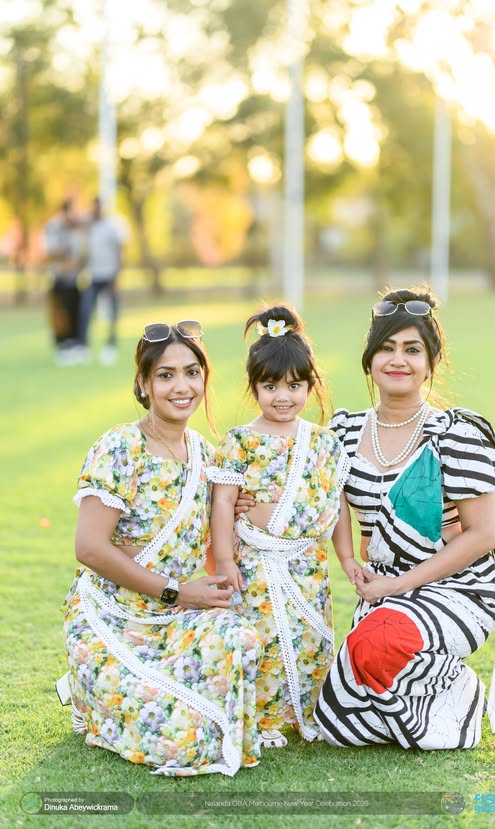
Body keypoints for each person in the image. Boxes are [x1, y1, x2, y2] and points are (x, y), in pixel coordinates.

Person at [314, 287, 495, 769]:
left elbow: (482, 535)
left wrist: (400, 583)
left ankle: (459, 701)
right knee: (336, 725)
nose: (397, 360)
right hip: (385, 590)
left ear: (431, 362)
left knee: (378, 644)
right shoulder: (342, 432)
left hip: (459, 586)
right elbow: (329, 505)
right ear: (370, 359)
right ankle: (413, 677)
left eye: (412, 350)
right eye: (387, 348)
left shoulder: (457, 435)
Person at [57, 320, 264, 776]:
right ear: (143, 384)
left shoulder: (207, 456)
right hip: (115, 616)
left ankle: (127, 694)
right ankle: (94, 691)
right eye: (166, 375)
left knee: (242, 639)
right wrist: (176, 591)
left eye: (192, 372)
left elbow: (206, 544)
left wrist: (233, 510)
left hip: (177, 620)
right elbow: (89, 548)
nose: (182, 386)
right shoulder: (121, 447)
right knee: (179, 739)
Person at [207, 304, 351, 749]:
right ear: (254, 388)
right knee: (263, 638)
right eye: (270, 386)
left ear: (311, 384)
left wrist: (347, 557)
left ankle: (305, 710)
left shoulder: (324, 442)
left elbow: (338, 503)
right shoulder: (241, 440)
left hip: (307, 563)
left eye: (294, 385)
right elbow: (223, 501)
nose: (282, 397)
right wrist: (226, 559)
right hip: (254, 562)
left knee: (310, 637)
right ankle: (264, 716)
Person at [79, 197, 127, 365]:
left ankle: (110, 347)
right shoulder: (89, 225)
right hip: (93, 275)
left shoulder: (114, 225)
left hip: (109, 275)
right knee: (85, 311)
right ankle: (83, 347)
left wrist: (117, 276)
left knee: (113, 313)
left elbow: (120, 251)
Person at [43, 199, 86, 365]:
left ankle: (75, 345)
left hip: (74, 278)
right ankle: (61, 345)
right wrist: (66, 257)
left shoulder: (77, 229)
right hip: (59, 279)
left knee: (75, 312)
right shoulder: (54, 226)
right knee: (60, 314)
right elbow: (52, 252)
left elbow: (81, 254)